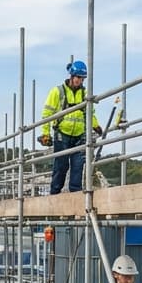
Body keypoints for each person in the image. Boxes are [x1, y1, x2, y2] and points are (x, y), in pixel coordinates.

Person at [40, 60, 102, 194]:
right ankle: (55, 194)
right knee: (61, 166)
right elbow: (47, 114)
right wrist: (45, 133)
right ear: (72, 76)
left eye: (82, 78)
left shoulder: (85, 94)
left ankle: (76, 195)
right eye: (78, 77)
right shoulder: (58, 92)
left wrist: (96, 126)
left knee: (78, 166)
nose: (80, 81)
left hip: (79, 135)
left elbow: (89, 112)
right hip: (62, 134)